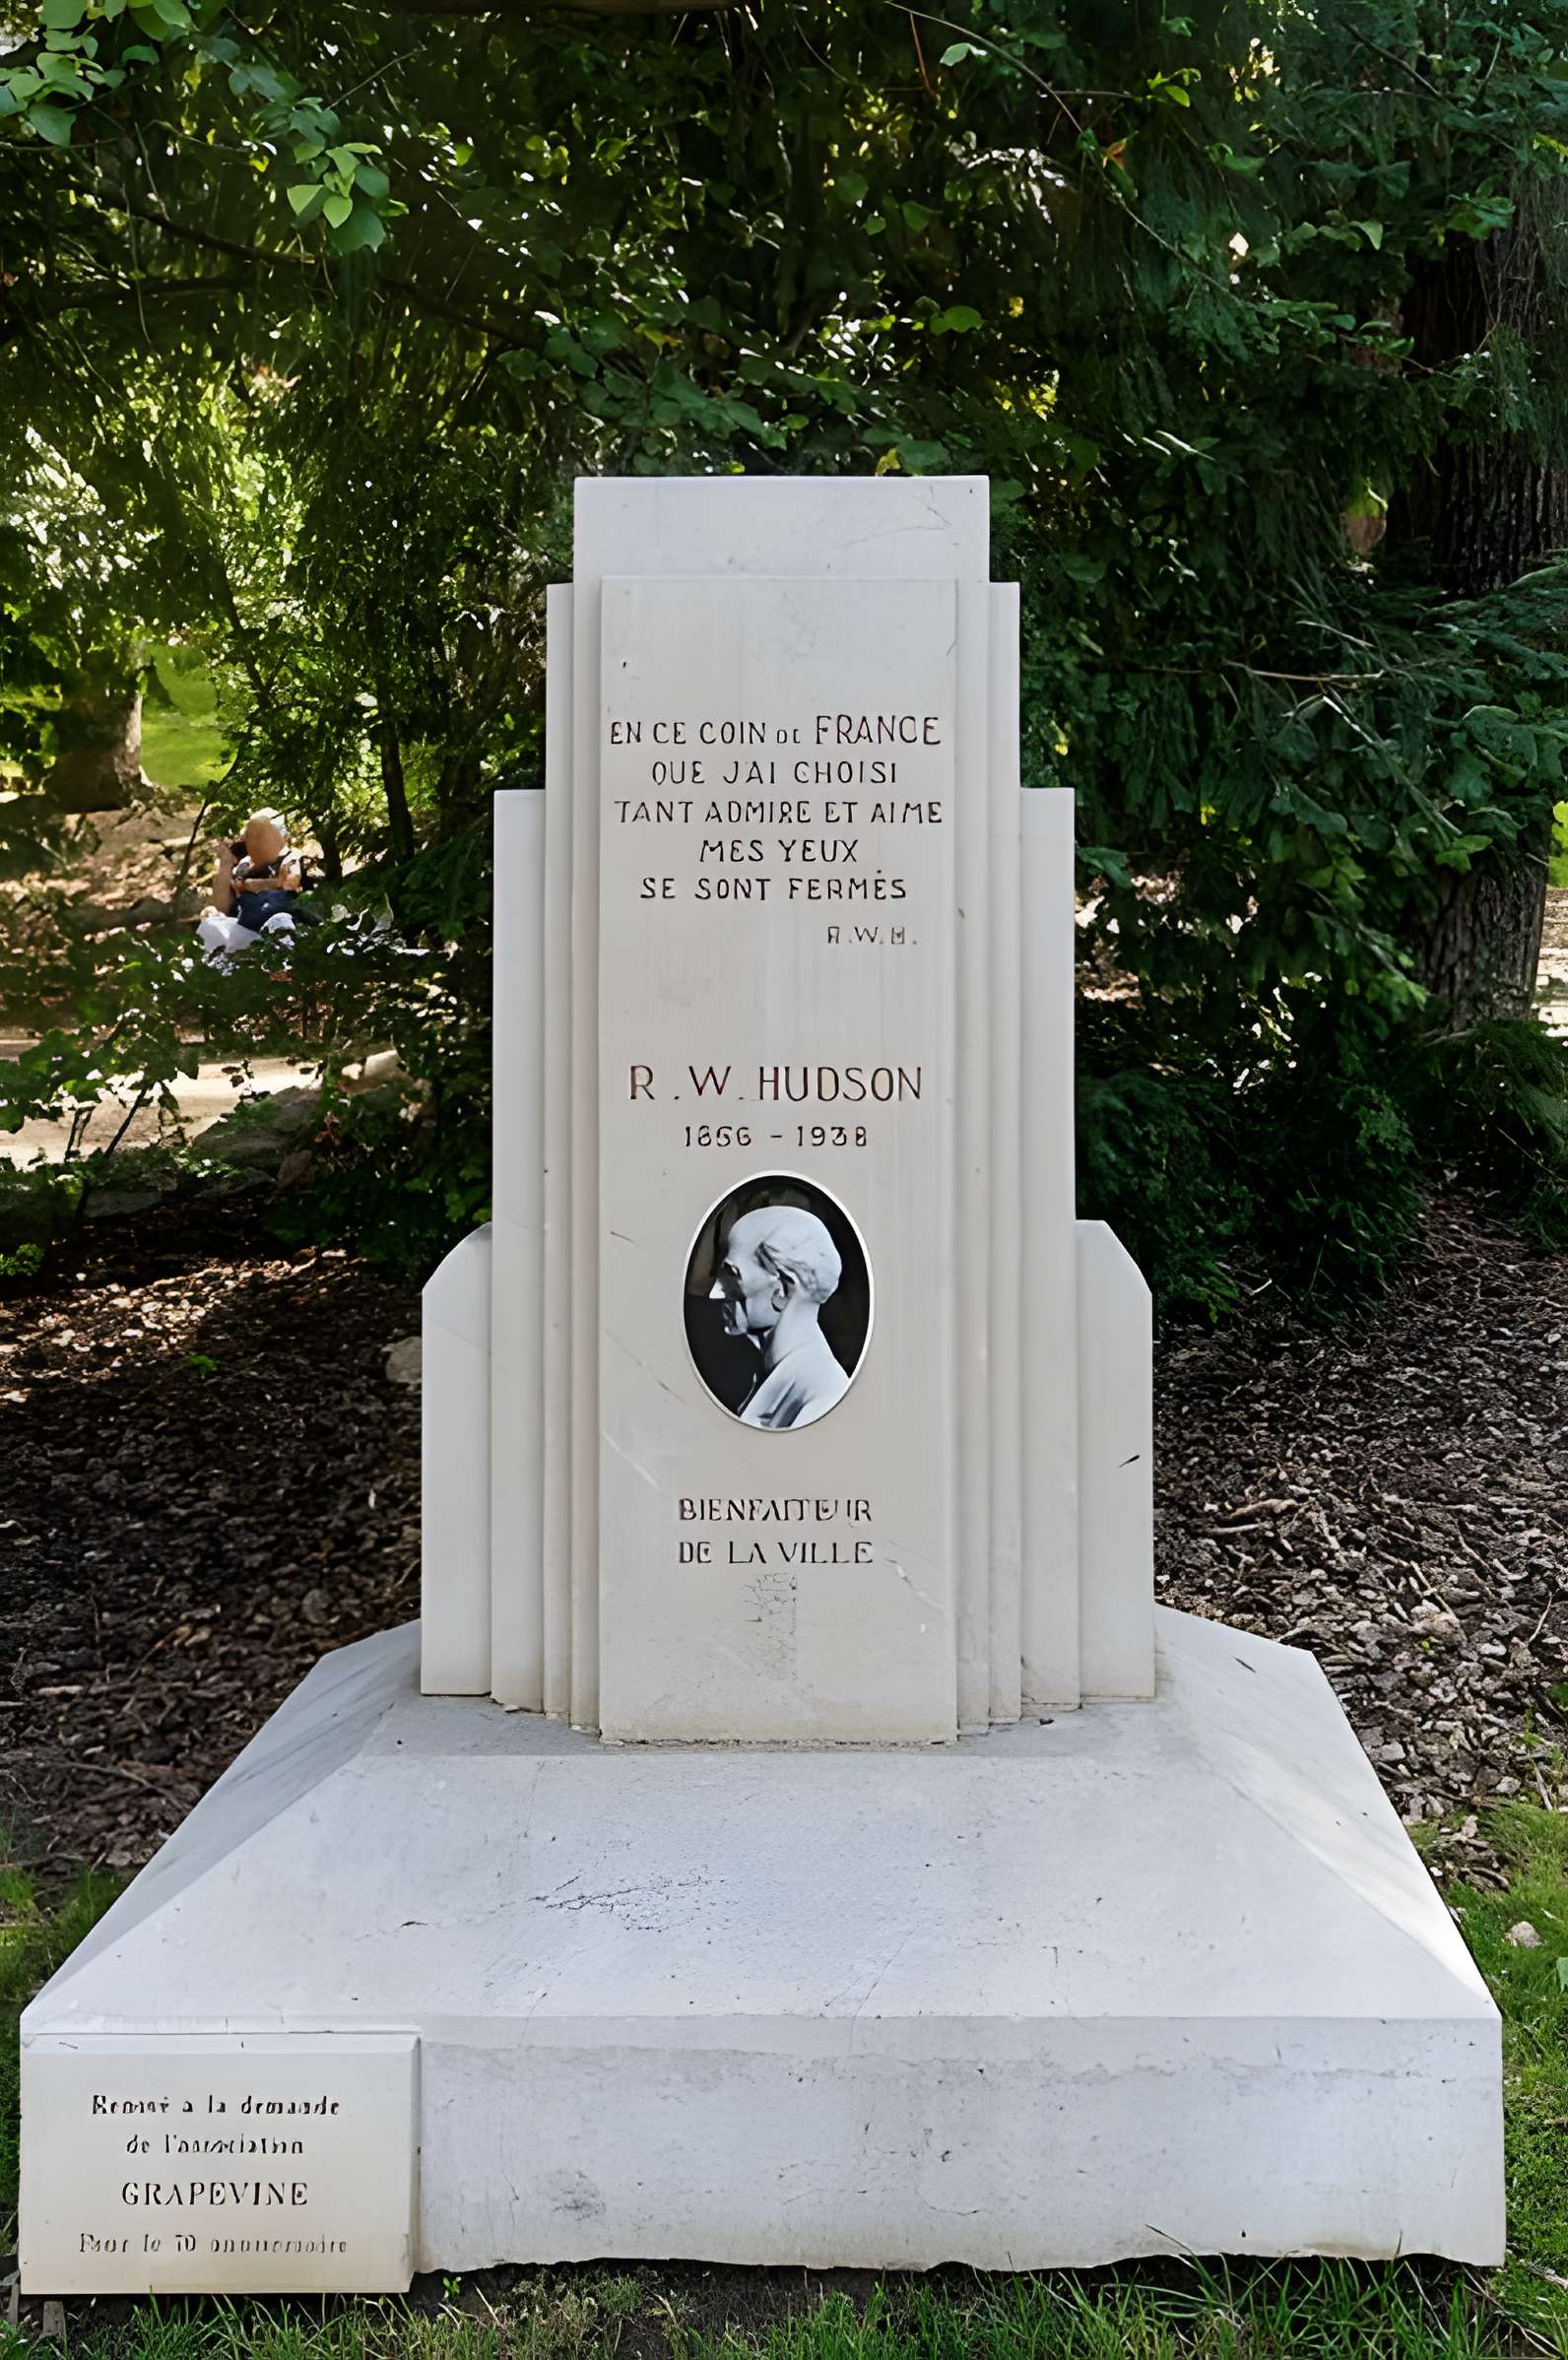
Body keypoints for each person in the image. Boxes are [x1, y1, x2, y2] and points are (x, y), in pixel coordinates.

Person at [709, 1203, 852, 1430]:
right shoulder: (770, 1373)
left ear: (783, 1290)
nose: (715, 1293)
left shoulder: (823, 1396)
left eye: (733, 1275)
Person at [196, 811, 306, 967]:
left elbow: (290, 884)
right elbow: (231, 903)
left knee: (280, 920)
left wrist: (252, 885)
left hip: (277, 926)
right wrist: (215, 912)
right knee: (211, 923)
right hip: (245, 929)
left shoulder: (291, 857)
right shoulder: (245, 864)